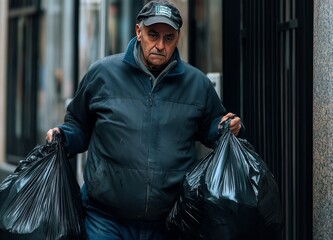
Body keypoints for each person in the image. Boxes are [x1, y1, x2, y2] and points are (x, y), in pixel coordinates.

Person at [46, 0, 244, 239]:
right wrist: (63, 136)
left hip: (168, 222)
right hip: (105, 219)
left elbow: (211, 127)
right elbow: (78, 125)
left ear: (177, 38)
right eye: (153, 35)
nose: (160, 45)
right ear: (138, 32)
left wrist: (226, 127)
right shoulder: (102, 74)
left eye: (168, 38)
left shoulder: (197, 84)